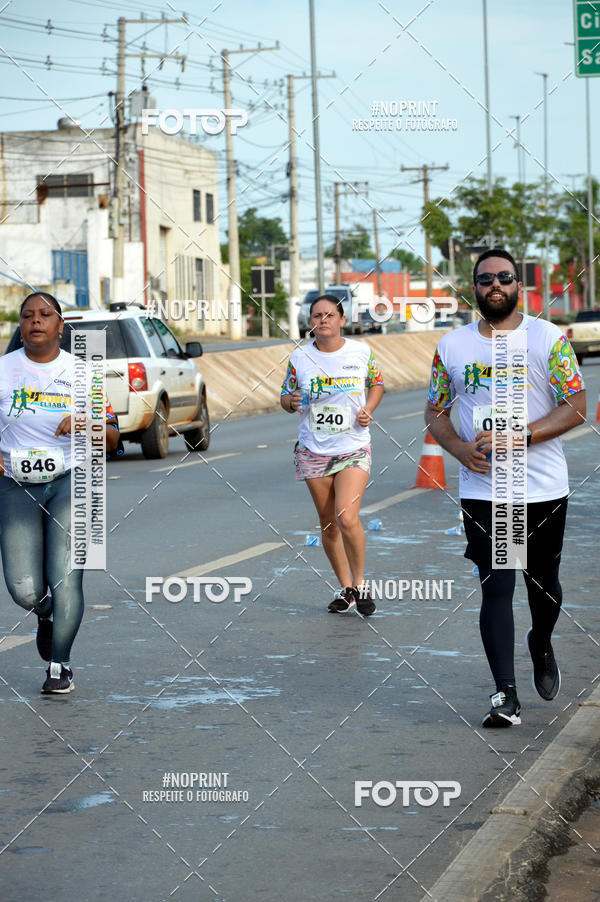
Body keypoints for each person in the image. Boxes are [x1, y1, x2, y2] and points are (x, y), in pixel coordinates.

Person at [425, 249, 585, 727]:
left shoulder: (547, 338)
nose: (495, 284)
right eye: (485, 278)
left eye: (504, 277)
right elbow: (435, 410)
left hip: (540, 487)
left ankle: (540, 639)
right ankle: (505, 694)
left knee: (543, 585)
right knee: (498, 584)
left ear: (519, 285)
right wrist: (456, 448)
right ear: (473, 287)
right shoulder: (452, 347)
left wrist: (523, 436)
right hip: (486, 489)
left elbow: (576, 405)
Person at [0, 292, 121, 694]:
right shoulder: (3, 370)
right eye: (28, 315)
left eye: (45, 314)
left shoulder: (84, 374)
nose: (36, 320)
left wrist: (85, 422)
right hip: (15, 483)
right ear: (21, 326)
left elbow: (113, 437)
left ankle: (59, 666)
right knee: (23, 589)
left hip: (72, 481)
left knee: (66, 577)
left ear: (60, 326)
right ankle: (46, 614)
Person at [280, 294, 384, 615]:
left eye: (328, 315)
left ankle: (362, 584)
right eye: (316, 316)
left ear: (341, 319)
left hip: (353, 447)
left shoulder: (361, 352)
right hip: (314, 450)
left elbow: (377, 383)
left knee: (346, 515)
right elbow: (285, 396)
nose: (322, 320)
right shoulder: (299, 358)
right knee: (328, 523)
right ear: (310, 322)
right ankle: (347, 589)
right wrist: (292, 401)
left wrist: (368, 408)